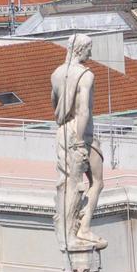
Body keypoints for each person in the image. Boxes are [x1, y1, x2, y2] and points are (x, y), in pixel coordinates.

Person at [50, 33, 107, 252]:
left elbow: (54, 103)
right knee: (95, 182)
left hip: (62, 130)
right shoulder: (86, 75)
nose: (90, 53)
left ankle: (69, 230)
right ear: (80, 50)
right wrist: (80, 140)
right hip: (81, 133)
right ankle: (82, 228)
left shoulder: (56, 74)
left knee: (67, 183)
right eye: (88, 49)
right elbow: (84, 110)